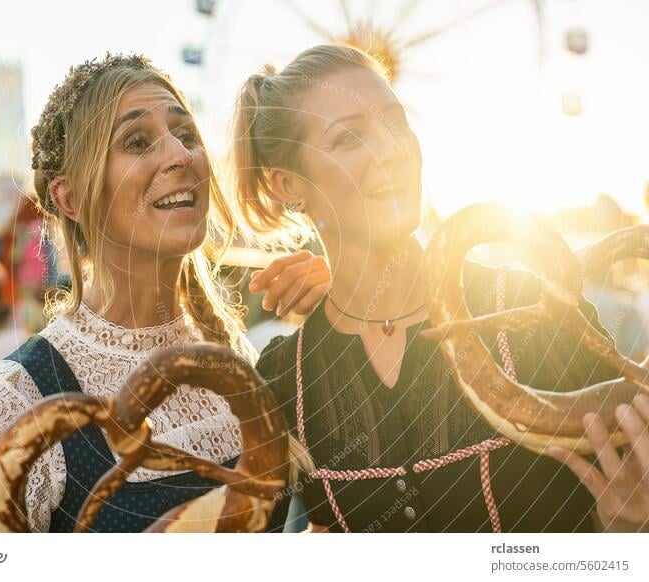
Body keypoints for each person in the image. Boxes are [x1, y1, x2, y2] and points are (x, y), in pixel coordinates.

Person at [232, 43, 649, 532]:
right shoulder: (285, 379)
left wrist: (629, 531)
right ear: (287, 185)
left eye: (395, 122)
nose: (390, 150)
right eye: (348, 138)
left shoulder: (535, 311)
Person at [0, 53, 322, 533]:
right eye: (138, 141)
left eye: (186, 135)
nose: (181, 155)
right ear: (71, 198)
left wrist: (348, 317)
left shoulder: (239, 358)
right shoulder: (13, 401)